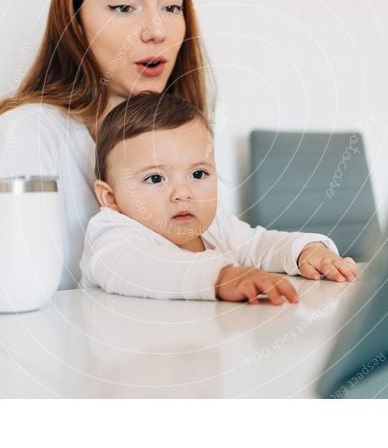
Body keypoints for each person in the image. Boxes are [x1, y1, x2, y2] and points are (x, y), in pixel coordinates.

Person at [0, 0, 211, 299]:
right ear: (76, 27)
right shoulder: (23, 135)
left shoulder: (181, 138)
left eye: (171, 6)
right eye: (123, 7)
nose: (157, 30)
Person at [80, 92, 360, 304]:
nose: (183, 192)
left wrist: (302, 250)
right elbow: (138, 266)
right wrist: (220, 277)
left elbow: (258, 245)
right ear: (111, 198)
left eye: (198, 174)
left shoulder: (215, 226)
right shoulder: (112, 235)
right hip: (135, 369)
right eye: (155, 178)